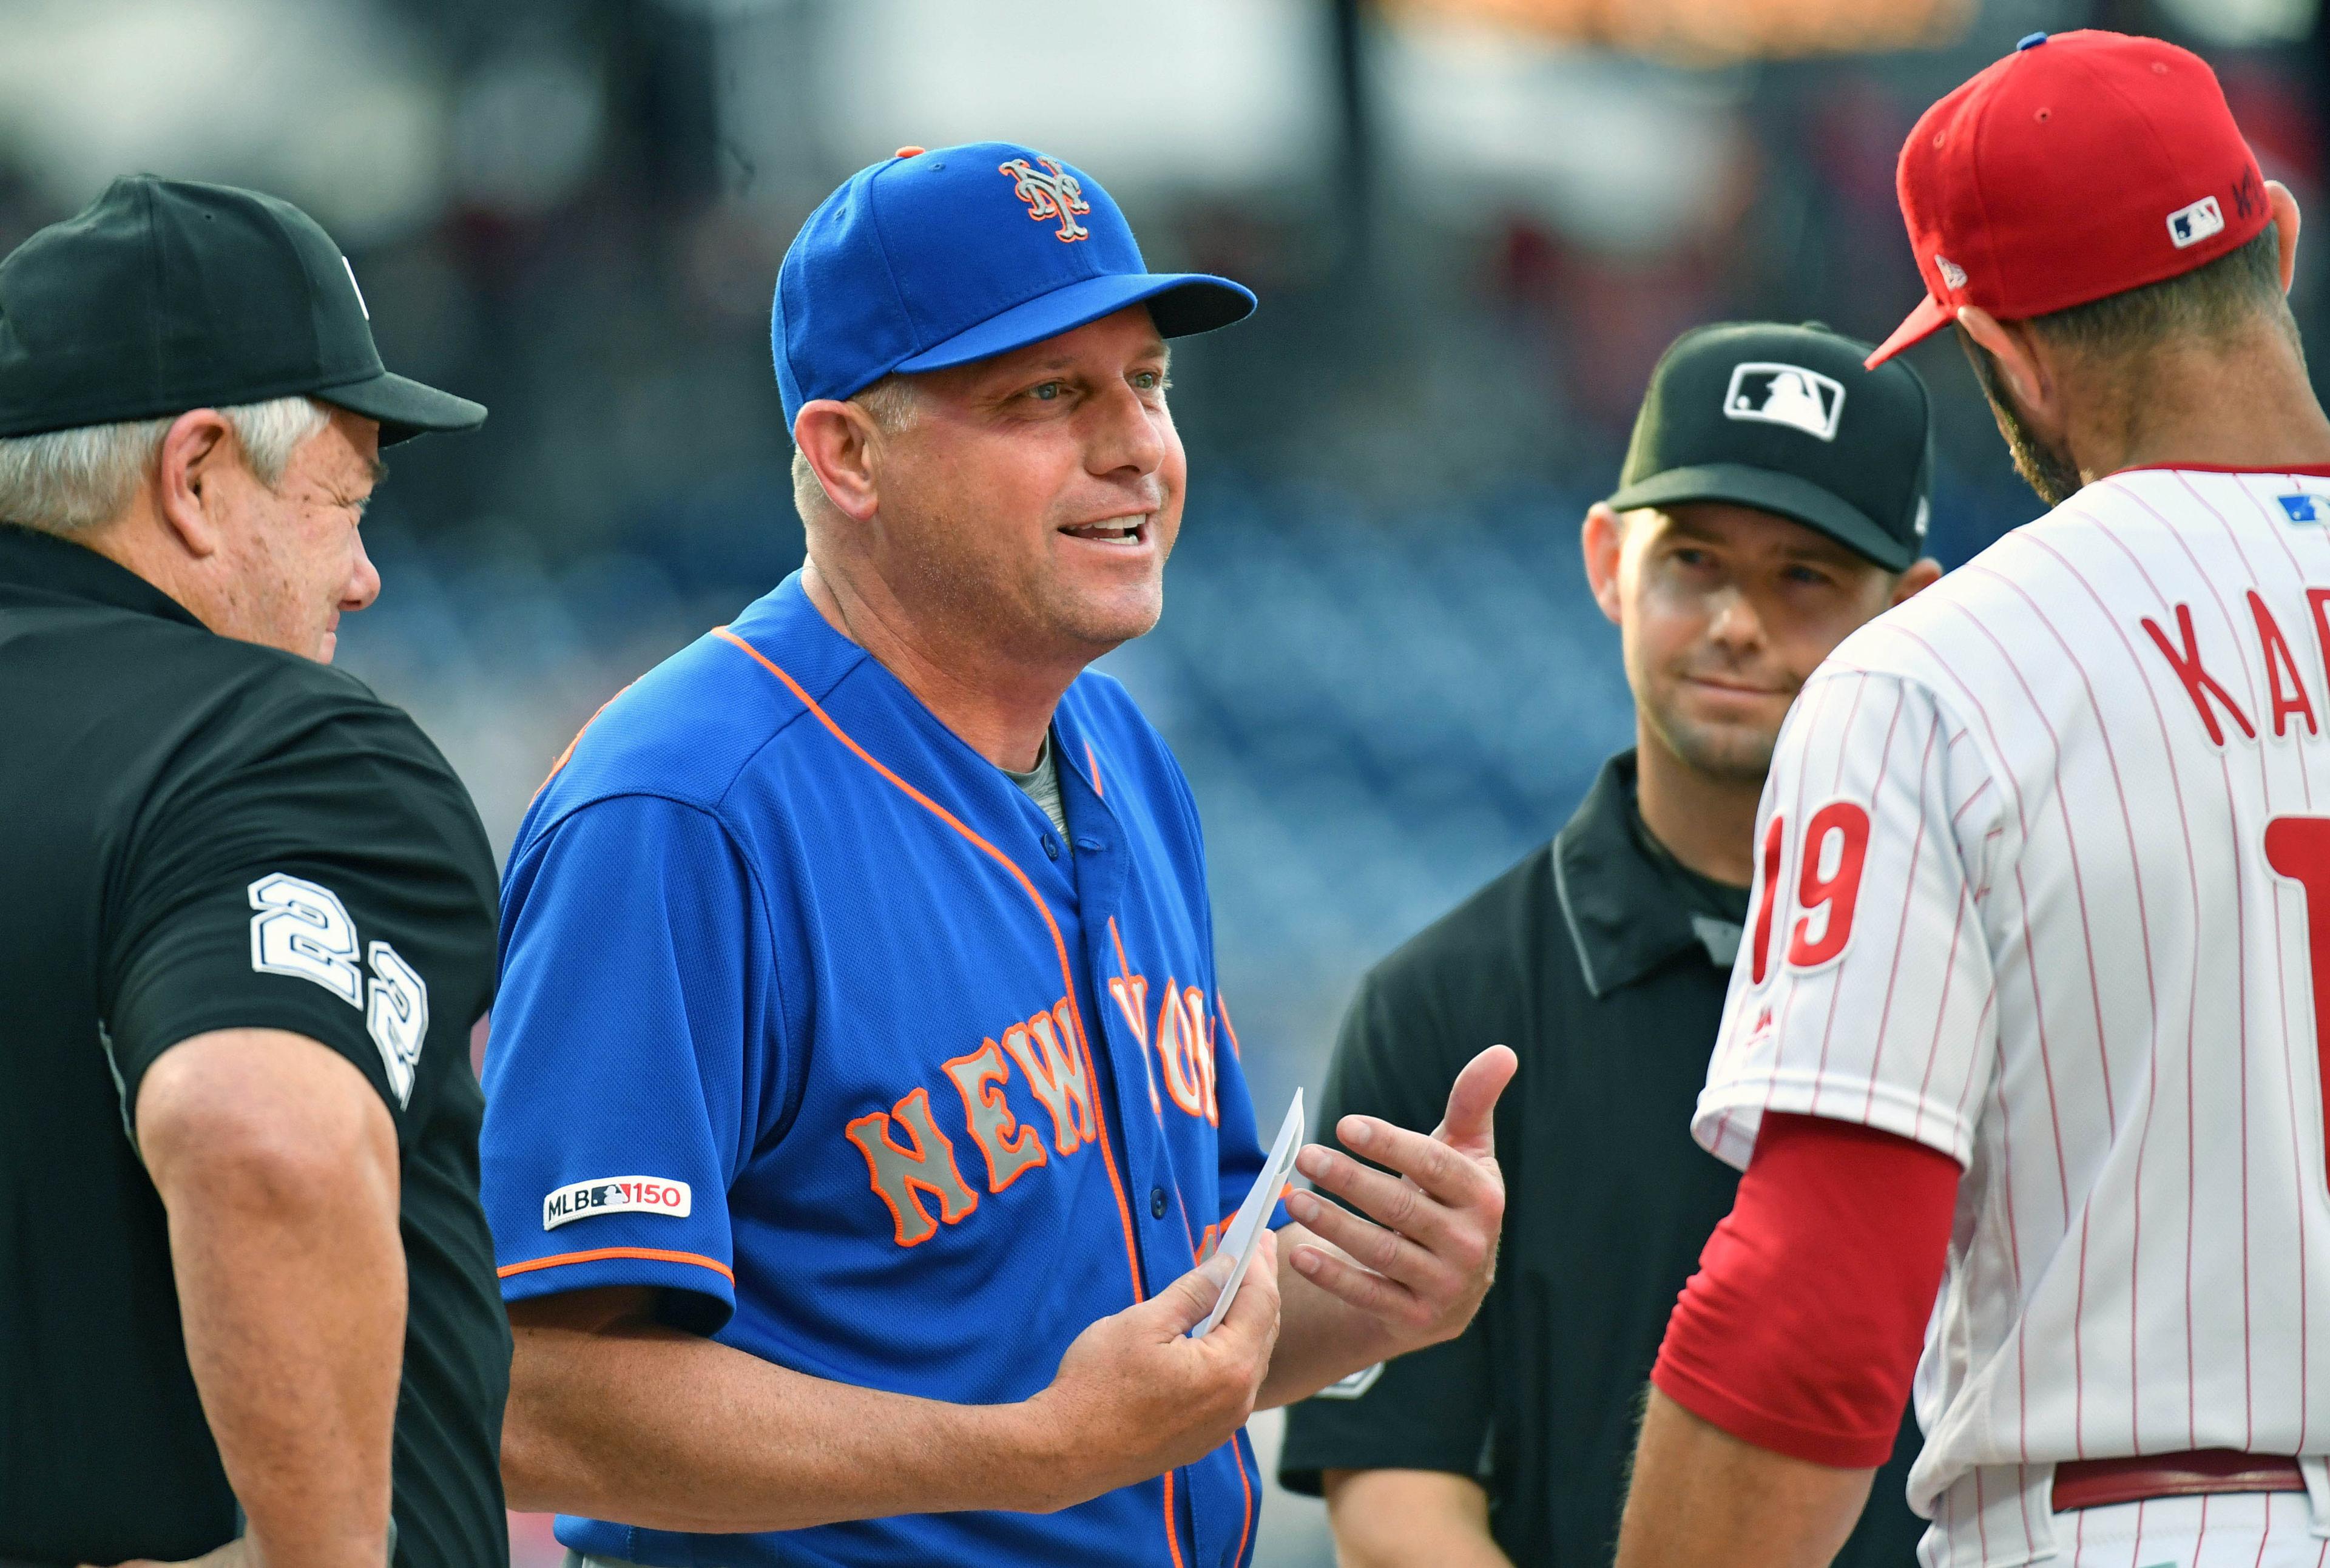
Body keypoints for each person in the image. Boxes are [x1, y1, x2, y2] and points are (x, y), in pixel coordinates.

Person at [474, 141, 1515, 1568]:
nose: (1134, 444)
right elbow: (541, 1396)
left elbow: (1159, 1332)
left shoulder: (1122, 754)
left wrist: (1372, 1300)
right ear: (848, 454)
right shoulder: (680, 810)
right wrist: (1028, 1453)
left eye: (1147, 381)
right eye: (1047, 394)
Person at [1615, 31, 2330, 1568]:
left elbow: (1813, 1315)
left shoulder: (1930, 680)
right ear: (2276, 235)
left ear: (1999, 353)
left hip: (2150, 1519)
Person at [1277, 322, 1942, 1566]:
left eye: (1806, 574)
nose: (1739, 620)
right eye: (1693, 559)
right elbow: (1391, 1478)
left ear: (1909, 609)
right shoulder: (1447, 1000)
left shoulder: (1988, 973)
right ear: (1607, 561)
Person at [0, 178, 504, 1567]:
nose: (362, 576)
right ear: (200, 475)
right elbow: (259, 1133)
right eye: (343, 500)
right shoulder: (272, 745)